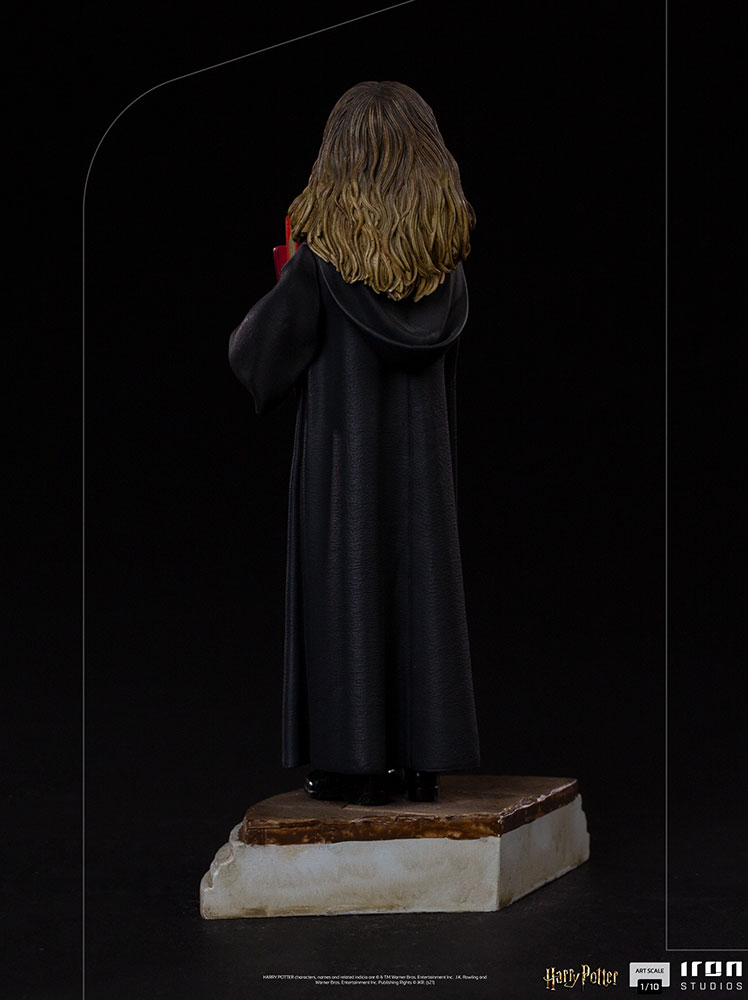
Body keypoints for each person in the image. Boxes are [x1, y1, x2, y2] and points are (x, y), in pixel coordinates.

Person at [228, 81, 480, 805]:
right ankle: (422, 762)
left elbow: (255, 358)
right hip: (425, 480)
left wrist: (287, 268)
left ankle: (352, 764)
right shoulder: (448, 274)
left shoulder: (320, 266)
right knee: (423, 594)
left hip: (344, 474)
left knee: (347, 589)